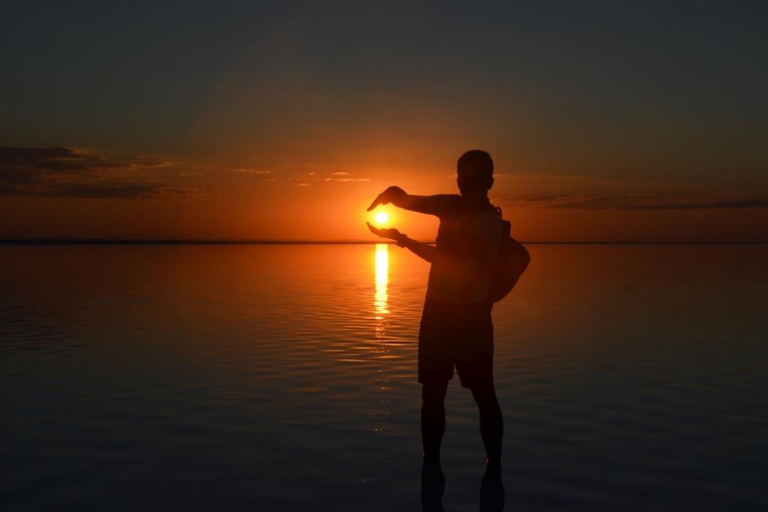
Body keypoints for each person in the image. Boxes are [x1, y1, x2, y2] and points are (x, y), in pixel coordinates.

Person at [366, 150, 505, 484]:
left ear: (489, 183)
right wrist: (393, 194)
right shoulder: (449, 204)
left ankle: (495, 469)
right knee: (432, 393)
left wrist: (400, 239)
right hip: (437, 313)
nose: (466, 184)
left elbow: (447, 261)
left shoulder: (489, 221)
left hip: (470, 317)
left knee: (483, 394)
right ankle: (431, 466)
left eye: (473, 179)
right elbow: (411, 200)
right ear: (458, 181)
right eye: (463, 179)